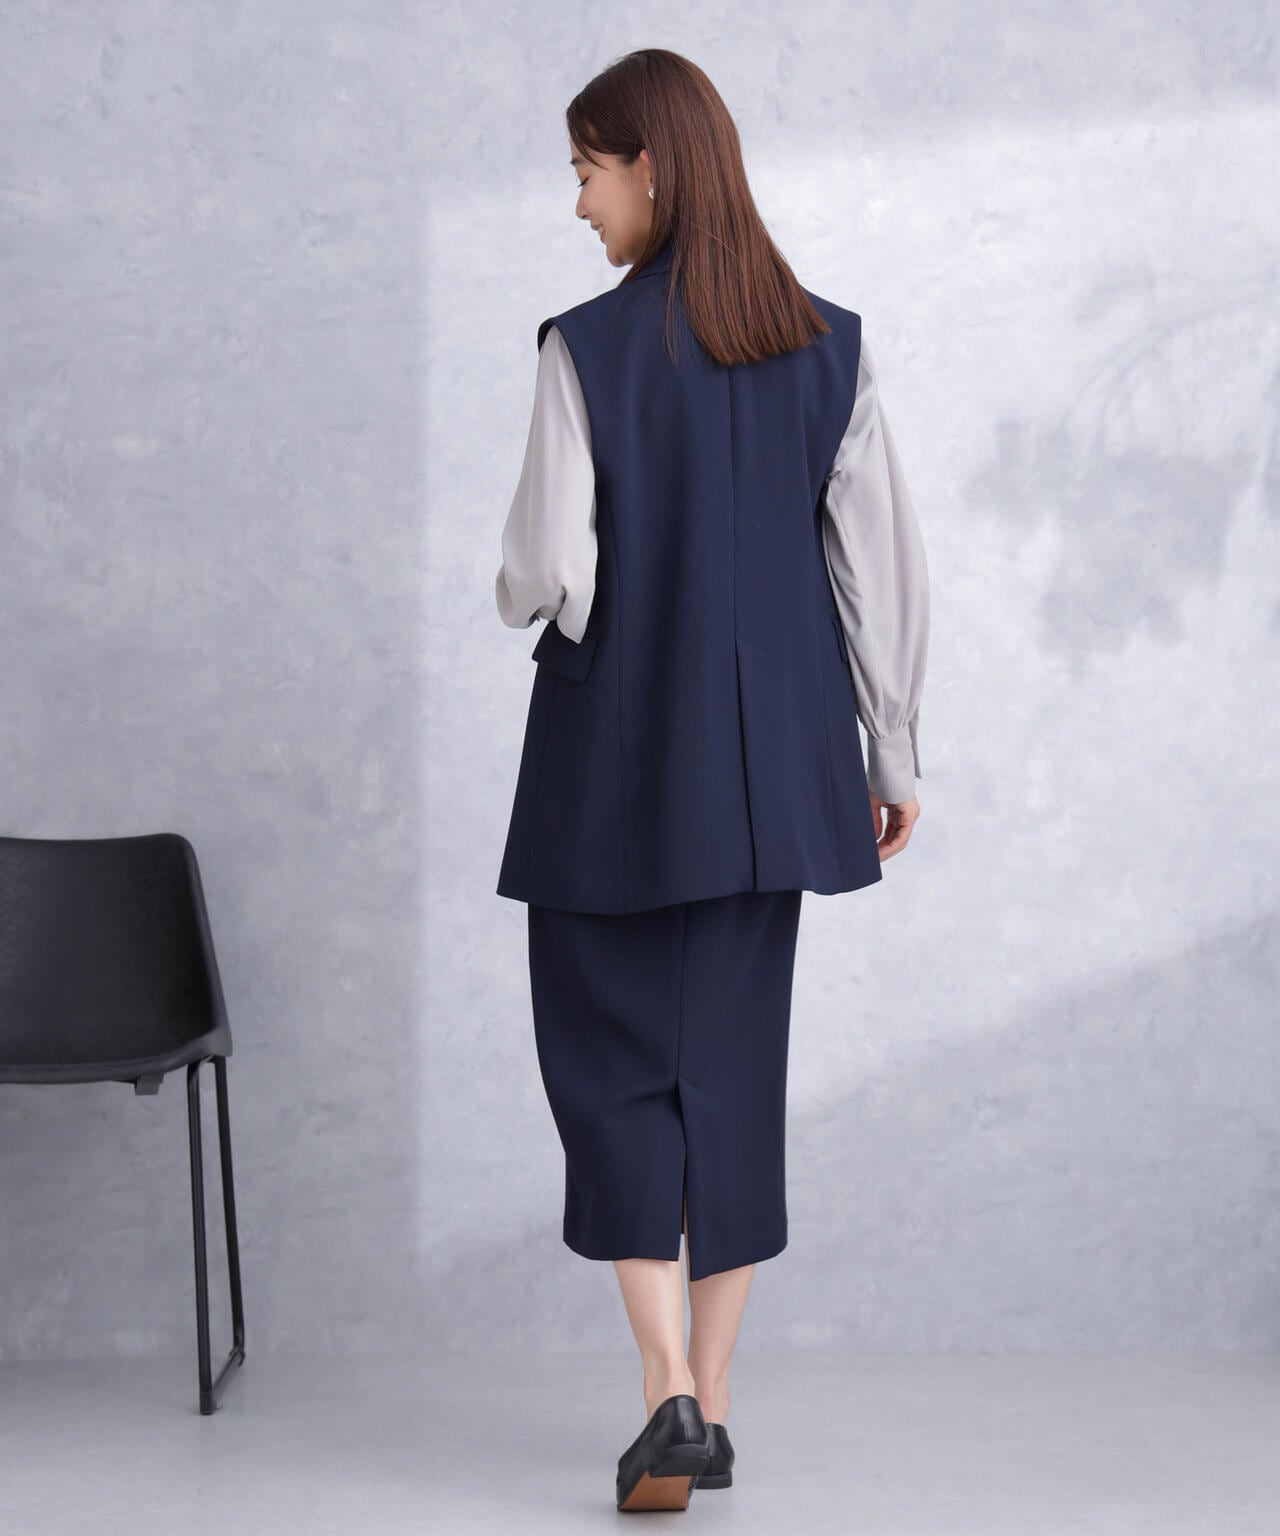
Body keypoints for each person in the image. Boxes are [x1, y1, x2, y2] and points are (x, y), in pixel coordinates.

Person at [493, 48, 930, 1513]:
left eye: (586, 171)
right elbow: (877, 568)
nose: (579, 204)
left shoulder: (585, 349)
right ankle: (718, 1403)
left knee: (608, 1068)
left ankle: (665, 1391)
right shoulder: (832, 348)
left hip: (610, 770)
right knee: (732, 1075)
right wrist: (891, 744)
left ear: (649, 167)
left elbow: (547, 570)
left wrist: (524, 591)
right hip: (775, 775)